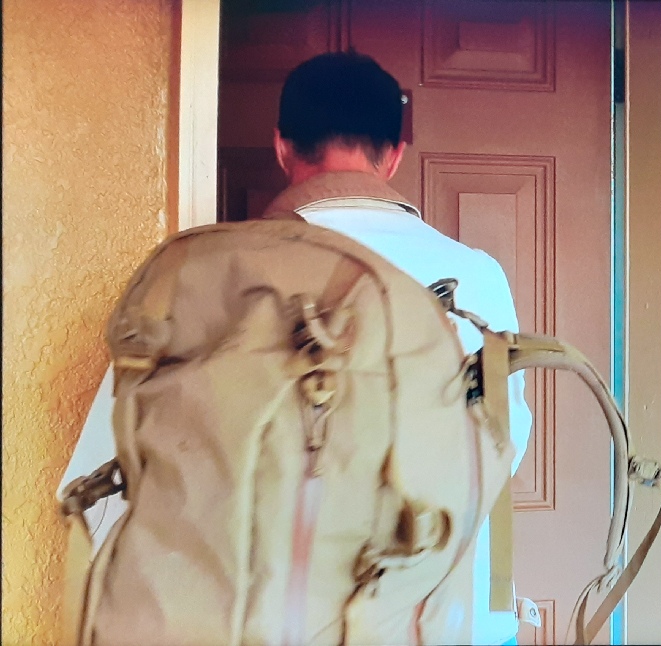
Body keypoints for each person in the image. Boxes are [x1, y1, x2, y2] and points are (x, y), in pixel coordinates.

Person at [58, 51, 534, 646]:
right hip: (430, 616)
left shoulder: (204, 275)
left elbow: (109, 474)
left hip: (242, 618)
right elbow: (501, 449)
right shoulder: (476, 278)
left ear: (283, 147)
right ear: (393, 155)